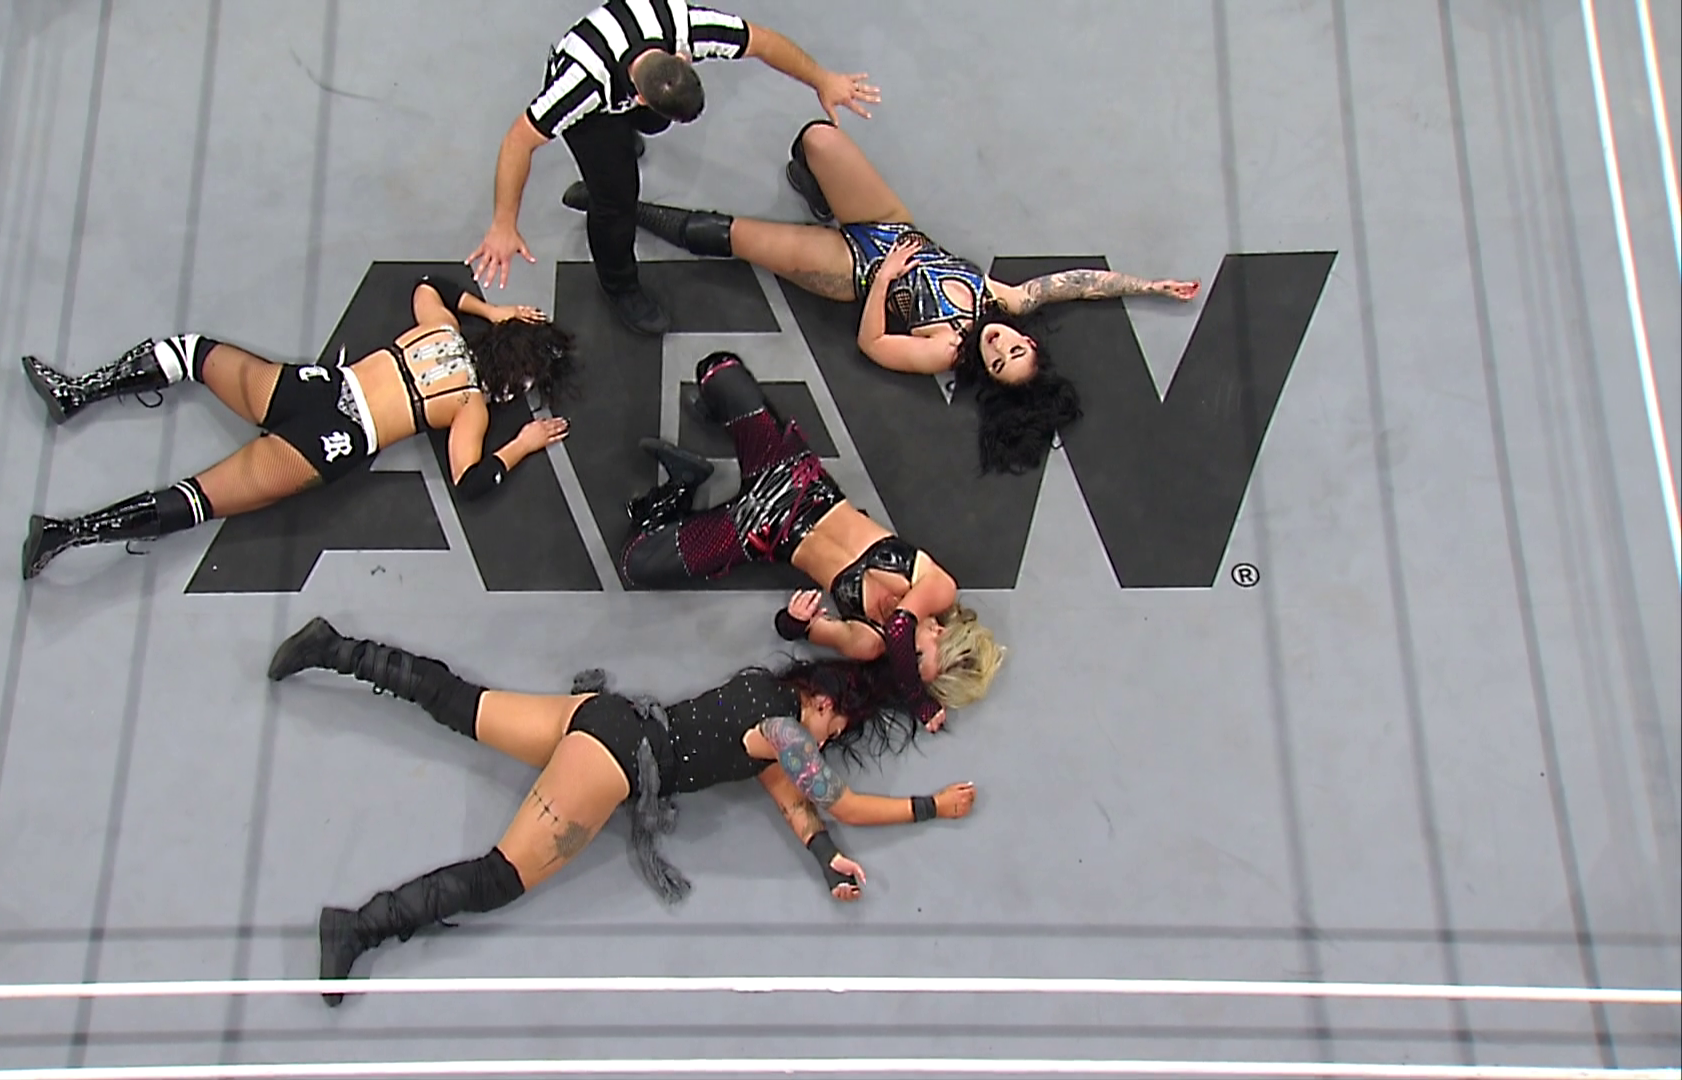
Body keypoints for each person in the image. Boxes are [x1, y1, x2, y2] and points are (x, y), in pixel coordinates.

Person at [264, 614, 979, 1005]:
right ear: (822, 703)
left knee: (460, 703)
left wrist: (826, 859)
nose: (826, 743)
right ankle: (359, 926)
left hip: (605, 716)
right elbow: (841, 801)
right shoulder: (790, 735)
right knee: (499, 878)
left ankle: (334, 647)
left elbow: (796, 802)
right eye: (834, 729)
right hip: (614, 761)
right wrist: (932, 807)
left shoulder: (766, 700)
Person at [561, 121, 1201, 472]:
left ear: (985, 371)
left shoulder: (943, 351)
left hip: (853, 272)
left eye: (998, 360)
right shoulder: (1006, 301)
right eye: (1016, 348)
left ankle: (615, 206)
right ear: (1028, 340)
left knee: (731, 235)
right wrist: (1148, 285)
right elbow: (1079, 284)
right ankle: (817, 189)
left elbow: (871, 343)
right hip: (891, 224)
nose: (1001, 345)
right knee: (818, 138)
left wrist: (887, 280)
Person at [19, 278, 575, 579]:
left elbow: (430, 286)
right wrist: (520, 445)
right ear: (515, 379)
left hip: (313, 389)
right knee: (201, 498)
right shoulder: (471, 407)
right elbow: (471, 481)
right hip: (330, 444)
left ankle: (77, 393)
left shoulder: (442, 329)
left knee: (193, 353)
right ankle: (66, 533)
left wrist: (491, 310)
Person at [620, 350, 1004, 732]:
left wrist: (797, 619)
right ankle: (718, 416)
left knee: (636, 563)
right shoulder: (938, 588)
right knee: (716, 371)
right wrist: (918, 702)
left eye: (911, 669)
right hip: (793, 477)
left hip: (762, 533)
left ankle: (684, 486)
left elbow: (790, 630)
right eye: (917, 658)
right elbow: (902, 628)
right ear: (939, 631)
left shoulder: (868, 642)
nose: (903, 660)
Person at [468, 0, 881, 336]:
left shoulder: (687, 26)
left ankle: (625, 141)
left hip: (631, 87)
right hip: (594, 113)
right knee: (616, 200)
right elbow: (518, 140)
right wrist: (504, 223)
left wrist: (822, 79)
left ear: (683, 57)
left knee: (654, 125)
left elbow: (764, 42)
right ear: (638, 98)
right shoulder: (578, 88)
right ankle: (619, 285)